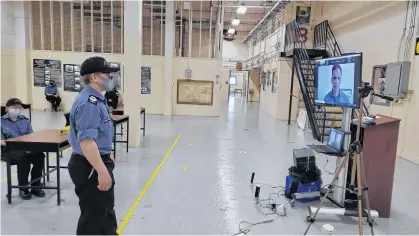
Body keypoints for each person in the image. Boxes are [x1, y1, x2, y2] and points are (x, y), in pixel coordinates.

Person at [68, 56, 119, 235]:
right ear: (94, 77)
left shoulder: (97, 99)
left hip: (97, 160)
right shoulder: (88, 103)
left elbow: (97, 135)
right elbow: (86, 142)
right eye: (106, 74)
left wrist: (105, 154)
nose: (110, 78)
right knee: (94, 217)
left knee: (106, 211)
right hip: (89, 166)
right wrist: (102, 170)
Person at [0, 98, 46, 200]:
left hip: (26, 147)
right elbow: (1, 141)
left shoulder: (25, 120)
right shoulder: (1, 122)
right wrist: (15, 142)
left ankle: (36, 186)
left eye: (19, 108)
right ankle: (23, 188)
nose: (17, 110)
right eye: (14, 108)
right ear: (7, 108)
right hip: (10, 149)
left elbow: (31, 136)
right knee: (23, 158)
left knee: (39, 156)